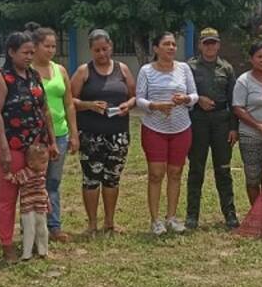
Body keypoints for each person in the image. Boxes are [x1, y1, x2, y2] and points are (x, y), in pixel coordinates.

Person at [0, 30, 56, 263]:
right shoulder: (0, 77)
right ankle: (7, 244)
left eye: (31, 52)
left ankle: (37, 241)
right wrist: (4, 149)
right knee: (8, 195)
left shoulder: (34, 75)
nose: (29, 56)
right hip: (13, 145)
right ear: (11, 52)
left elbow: (44, 109)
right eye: (25, 52)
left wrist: (52, 141)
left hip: (36, 148)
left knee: (35, 194)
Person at [70, 29, 136, 235]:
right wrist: (89, 105)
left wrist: (127, 105)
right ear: (91, 50)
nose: (102, 54)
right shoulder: (83, 71)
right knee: (91, 179)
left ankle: (110, 222)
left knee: (112, 178)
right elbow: (70, 100)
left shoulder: (122, 69)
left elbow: (134, 96)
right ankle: (92, 224)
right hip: (91, 135)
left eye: (105, 49)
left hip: (118, 134)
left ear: (111, 47)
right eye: (97, 50)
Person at [136, 32, 197, 235]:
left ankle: (171, 217)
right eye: (166, 44)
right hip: (154, 128)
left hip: (181, 127)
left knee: (175, 173)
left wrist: (186, 98)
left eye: (173, 44)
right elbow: (139, 100)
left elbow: (195, 95)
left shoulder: (184, 68)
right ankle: (155, 220)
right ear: (156, 48)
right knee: (156, 174)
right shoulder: (146, 70)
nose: (171, 47)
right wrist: (155, 105)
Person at [185, 28, 239, 230]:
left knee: (223, 170)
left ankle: (230, 213)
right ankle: (192, 215)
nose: (210, 46)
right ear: (200, 45)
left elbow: (234, 100)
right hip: (198, 121)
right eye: (206, 43)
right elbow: (184, 93)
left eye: (213, 43)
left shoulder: (227, 68)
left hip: (222, 122)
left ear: (218, 45)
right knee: (196, 169)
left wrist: (234, 127)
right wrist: (199, 100)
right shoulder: (189, 67)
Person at [29, 25, 79, 241]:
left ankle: (54, 224)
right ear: (35, 46)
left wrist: (74, 133)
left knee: (54, 181)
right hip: (35, 136)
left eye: (53, 46)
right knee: (34, 182)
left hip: (60, 133)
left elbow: (68, 103)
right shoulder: (28, 71)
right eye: (46, 46)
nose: (50, 50)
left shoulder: (60, 70)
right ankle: (31, 226)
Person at [231, 42, 262, 208]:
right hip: (250, 135)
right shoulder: (244, 81)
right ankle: (256, 212)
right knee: (253, 177)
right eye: (259, 57)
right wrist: (258, 125)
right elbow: (237, 107)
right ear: (251, 59)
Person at [7, 142, 51, 261]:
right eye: (43, 162)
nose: (46, 165)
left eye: (46, 162)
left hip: (40, 205)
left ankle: (43, 250)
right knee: (29, 229)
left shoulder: (42, 174)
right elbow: (15, 179)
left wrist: (48, 202)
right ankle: (27, 253)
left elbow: (43, 189)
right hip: (28, 207)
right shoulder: (25, 173)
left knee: (42, 228)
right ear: (31, 163)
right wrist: (8, 175)